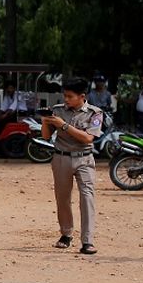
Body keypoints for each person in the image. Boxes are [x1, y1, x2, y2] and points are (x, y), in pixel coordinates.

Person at [41, 77, 103, 255]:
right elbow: (46, 136)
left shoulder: (95, 113)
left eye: (69, 96)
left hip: (84, 159)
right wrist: (46, 121)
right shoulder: (58, 111)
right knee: (63, 198)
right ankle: (66, 234)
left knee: (87, 198)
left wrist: (64, 126)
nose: (66, 99)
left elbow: (88, 138)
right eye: (64, 96)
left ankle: (87, 241)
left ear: (82, 96)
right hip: (61, 158)